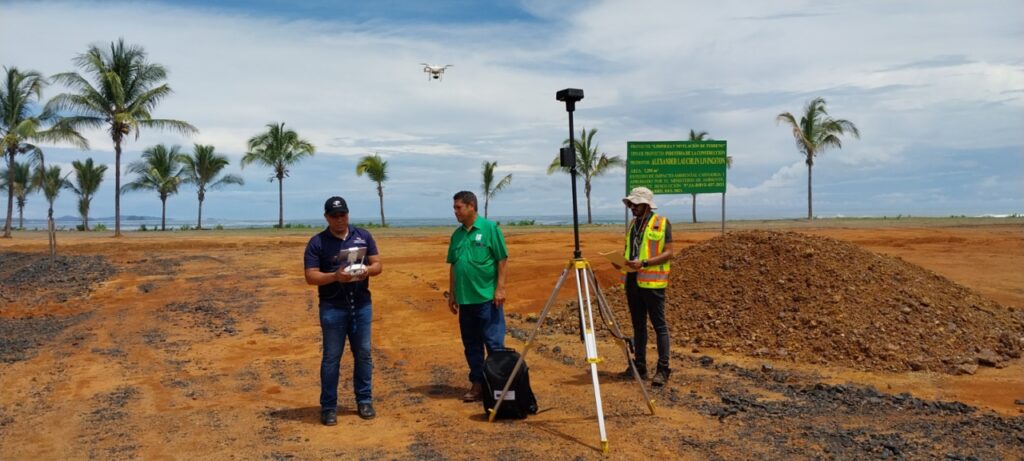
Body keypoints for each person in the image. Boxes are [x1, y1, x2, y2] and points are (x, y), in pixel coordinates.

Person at [304, 196, 383, 425]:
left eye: (343, 214)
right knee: (331, 358)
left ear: (348, 214)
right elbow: (311, 276)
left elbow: (378, 264)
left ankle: (364, 400)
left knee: (364, 354)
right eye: (334, 216)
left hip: (361, 305)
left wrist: (366, 270)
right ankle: (329, 406)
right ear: (327, 217)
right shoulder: (317, 242)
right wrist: (335, 277)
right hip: (332, 308)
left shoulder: (363, 236)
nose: (340, 219)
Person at [446, 190, 508, 402]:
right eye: (454, 208)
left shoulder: (490, 229)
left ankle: (498, 386)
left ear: (471, 206)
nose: (455, 212)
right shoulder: (457, 235)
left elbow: (501, 259)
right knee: (471, 344)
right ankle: (478, 384)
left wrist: (500, 288)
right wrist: (452, 294)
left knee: (494, 343)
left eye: (458, 207)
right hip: (465, 301)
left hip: (487, 299)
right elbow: (454, 265)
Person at [618, 187, 674, 386]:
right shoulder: (634, 225)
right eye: (630, 204)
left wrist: (644, 263)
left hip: (653, 282)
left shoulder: (661, 223)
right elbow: (631, 251)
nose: (631, 207)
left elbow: (669, 252)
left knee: (659, 326)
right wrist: (621, 262)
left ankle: (663, 369)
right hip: (633, 281)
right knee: (638, 326)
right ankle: (639, 366)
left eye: (635, 204)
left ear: (646, 205)